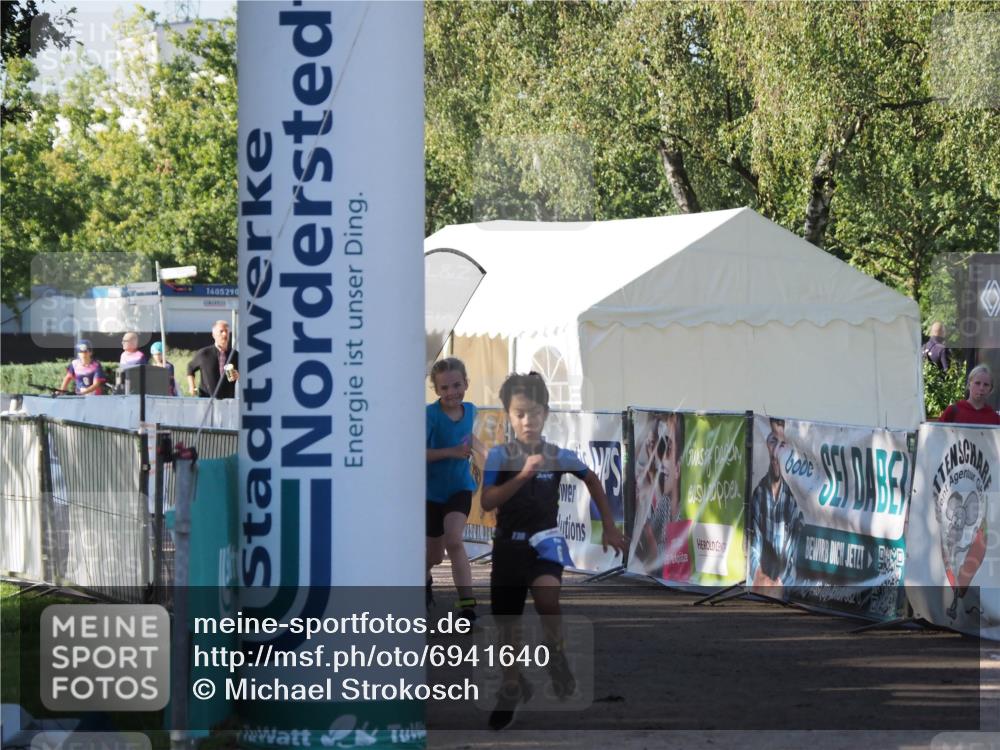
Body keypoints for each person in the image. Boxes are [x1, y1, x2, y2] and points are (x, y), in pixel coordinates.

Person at [481, 372, 627, 731]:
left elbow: (592, 479)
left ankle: (556, 653)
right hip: (507, 547)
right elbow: (487, 502)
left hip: (544, 542)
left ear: (545, 414)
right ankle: (512, 686)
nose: (527, 421)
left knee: (548, 597)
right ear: (509, 416)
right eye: (519, 414)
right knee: (507, 624)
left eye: (534, 413)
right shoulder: (499, 456)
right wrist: (522, 477)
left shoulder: (558, 455)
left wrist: (609, 525)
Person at [425, 357, 480, 624]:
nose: (451, 393)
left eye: (456, 385)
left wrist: (487, 455)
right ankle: (423, 586)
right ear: (436, 390)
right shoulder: (429, 415)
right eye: (444, 388)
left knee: (455, 540)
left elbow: (469, 437)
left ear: (466, 384)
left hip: (460, 487)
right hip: (430, 493)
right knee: (433, 556)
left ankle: (468, 606)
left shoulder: (471, 410)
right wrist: (452, 452)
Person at [749, 418, 802, 591]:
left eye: (782, 444)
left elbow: (794, 558)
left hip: (782, 590)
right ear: (767, 444)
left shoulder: (794, 502)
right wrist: (759, 575)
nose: (776, 453)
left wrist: (779, 584)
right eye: (773, 441)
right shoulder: (758, 495)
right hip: (760, 587)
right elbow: (752, 545)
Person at [633, 412, 684, 572]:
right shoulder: (664, 504)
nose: (660, 461)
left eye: (666, 450)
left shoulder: (680, 508)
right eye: (653, 447)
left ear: (678, 468)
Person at [186, 320, 239, 398]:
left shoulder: (235, 355)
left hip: (227, 401)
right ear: (214, 335)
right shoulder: (204, 353)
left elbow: (245, 375)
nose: (224, 334)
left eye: (226, 331)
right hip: (206, 399)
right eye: (221, 331)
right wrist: (192, 386)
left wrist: (237, 375)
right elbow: (190, 368)